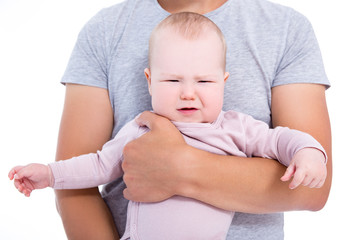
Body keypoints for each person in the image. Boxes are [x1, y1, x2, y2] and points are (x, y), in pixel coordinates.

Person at [9, 12, 328, 240]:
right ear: (149, 81)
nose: (188, 92)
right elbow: (97, 166)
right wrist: (50, 174)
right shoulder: (141, 129)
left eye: (204, 81)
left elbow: (280, 140)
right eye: (173, 80)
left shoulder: (234, 128)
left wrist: (308, 151)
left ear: (223, 82)